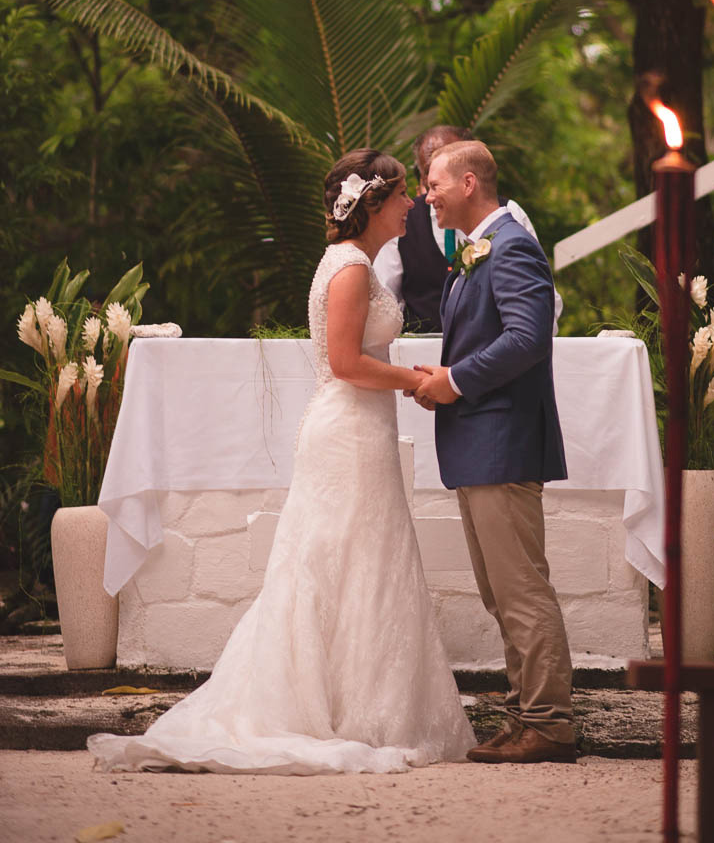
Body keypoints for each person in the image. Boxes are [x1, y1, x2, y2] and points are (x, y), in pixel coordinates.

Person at [88, 149, 473, 775]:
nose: (411, 205)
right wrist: (416, 378)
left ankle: (363, 705)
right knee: (341, 561)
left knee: (362, 562)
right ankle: (328, 710)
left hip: (358, 428)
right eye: (402, 195)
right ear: (373, 205)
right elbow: (347, 363)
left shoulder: (354, 262)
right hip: (347, 430)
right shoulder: (350, 268)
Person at [412, 140, 576, 765]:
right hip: (482, 442)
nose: (428, 195)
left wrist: (454, 381)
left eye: (434, 184)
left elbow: (529, 340)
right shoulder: (475, 250)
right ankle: (525, 716)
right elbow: (491, 337)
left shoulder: (509, 245)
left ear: (469, 181)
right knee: (500, 593)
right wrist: (445, 376)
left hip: (503, 443)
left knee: (522, 591)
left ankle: (551, 726)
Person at [373, 125, 562, 333]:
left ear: (468, 178)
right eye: (430, 173)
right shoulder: (404, 218)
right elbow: (385, 300)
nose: (430, 195)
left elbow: (540, 305)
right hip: (418, 359)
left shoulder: (509, 215)